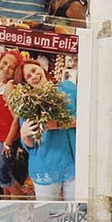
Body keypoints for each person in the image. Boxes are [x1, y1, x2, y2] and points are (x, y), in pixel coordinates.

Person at [18, 57, 77, 201]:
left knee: (77, 214)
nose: (34, 76)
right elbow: (31, 145)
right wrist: (24, 135)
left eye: (34, 70)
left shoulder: (68, 88)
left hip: (75, 163)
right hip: (46, 165)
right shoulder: (28, 104)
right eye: (28, 76)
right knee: (46, 216)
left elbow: (86, 119)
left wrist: (57, 124)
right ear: (26, 83)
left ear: (41, 68)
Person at [0, 49, 30, 197]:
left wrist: (8, 142)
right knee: (5, 174)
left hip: (6, 138)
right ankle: (7, 202)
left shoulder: (9, 87)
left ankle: (23, 203)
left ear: (15, 71)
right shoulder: (0, 85)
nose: (6, 68)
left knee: (2, 174)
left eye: (11, 67)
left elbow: (16, 117)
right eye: (5, 63)